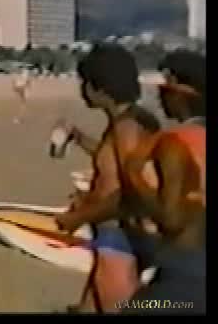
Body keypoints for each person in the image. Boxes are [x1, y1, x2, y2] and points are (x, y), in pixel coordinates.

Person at [52, 44, 161, 313]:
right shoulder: (129, 120)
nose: (82, 90)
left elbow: (132, 188)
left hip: (118, 235)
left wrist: (80, 215)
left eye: (85, 83)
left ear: (98, 88)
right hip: (115, 232)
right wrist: (78, 137)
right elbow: (112, 160)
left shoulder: (127, 128)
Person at [117, 50, 205, 313]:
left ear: (180, 95)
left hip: (185, 270)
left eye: (163, 91)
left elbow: (172, 219)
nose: (159, 97)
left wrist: (133, 176)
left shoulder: (175, 142)